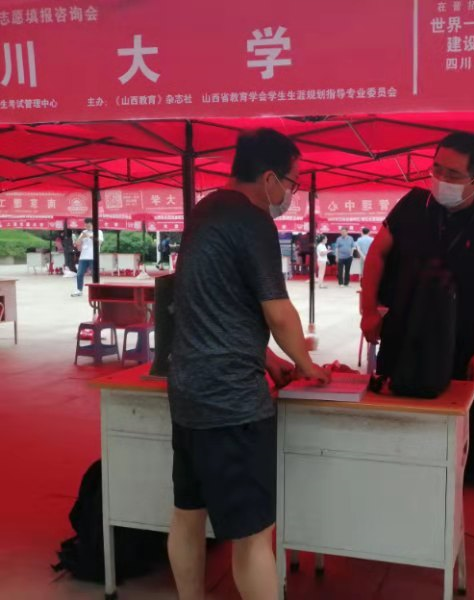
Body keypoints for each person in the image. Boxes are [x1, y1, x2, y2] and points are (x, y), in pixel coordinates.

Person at [167, 128, 330, 600]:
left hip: (187, 393)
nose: (291, 193)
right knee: (253, 535)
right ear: (270, 178)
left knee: (188, 514)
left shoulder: (205, 211)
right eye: (293, 183)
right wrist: (306, 364)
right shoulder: (253, 221)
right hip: (232, 402)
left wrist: (269, 358)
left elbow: (214, 303)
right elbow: (278, 311)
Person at [360, 131, 474, 386]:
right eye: (437, 169)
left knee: (450, 408)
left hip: (456, 348)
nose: (441, 179)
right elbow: (377, 253)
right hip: (398, 339)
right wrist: (369, 310)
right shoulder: (413, 204)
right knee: (391, 405)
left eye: (453, 175)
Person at [70, 218, 103, 297]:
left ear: (93, 224)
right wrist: (81, 237)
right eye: (85, 226)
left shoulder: (98, 232)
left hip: (93, 257)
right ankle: (79, 290)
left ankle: (96, 291)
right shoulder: (83, 232)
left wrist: (89, 236)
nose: (87, 227)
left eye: (88, 226)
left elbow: (99, 242)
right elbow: (77, 244)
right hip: (83, 257)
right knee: (79, 274)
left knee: (94, 274)